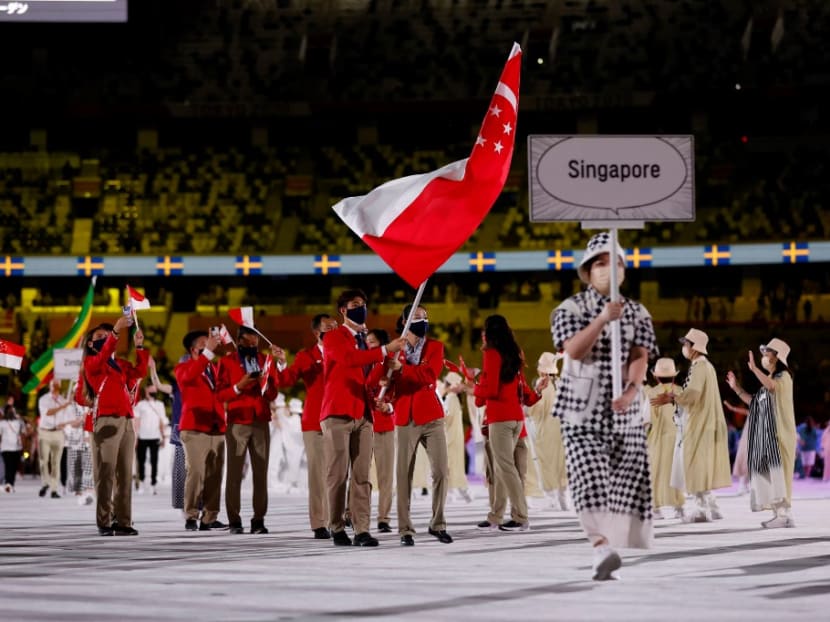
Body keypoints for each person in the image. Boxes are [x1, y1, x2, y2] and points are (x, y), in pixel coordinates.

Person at [552, 232, 657, 581]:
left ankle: (611, 539)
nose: (606, 268)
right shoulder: (569, 309)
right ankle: (600, 546)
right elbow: (573, 351)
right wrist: (601, 319)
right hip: (581, 407)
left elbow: (640, 355)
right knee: (588, 478)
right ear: (586, 271)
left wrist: (631, 390)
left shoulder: (639, 311)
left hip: (622, 410)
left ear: (624, 269)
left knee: (626, 484)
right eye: (598, 262)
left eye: (612, 261)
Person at [319, 288, 404, 547]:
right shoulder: (333, 337)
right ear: (343, 310)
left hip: (363, 413)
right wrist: (382, 352)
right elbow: (347, 360)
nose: (361, 307)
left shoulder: (365, 341)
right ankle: (336, 526)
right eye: (356, 304)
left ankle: (362, 528)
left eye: (364, 303)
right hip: (337, 413)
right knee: (337, 474)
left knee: (362, 476)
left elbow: (366, 379)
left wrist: (386, 365)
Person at [463, 314, 546, 533]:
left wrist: (472, 387)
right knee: (503, 469)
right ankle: (496, 516)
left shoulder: (491, 352)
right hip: (516, 418)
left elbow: (490, 390)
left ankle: (520, 516)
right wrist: (536, 392)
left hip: (500, 418)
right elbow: (521, 389)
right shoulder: (515, 353)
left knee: (505, 469)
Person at [382, 305, 453, 546]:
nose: (423, 321)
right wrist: (386, 392)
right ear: (405, 321)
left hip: (432, 416)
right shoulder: (394, 349)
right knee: (403, 475)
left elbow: (430, 375)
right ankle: (405, 529)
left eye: (425, 317)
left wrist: (404, 370)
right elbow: (390, 385)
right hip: (404, 416)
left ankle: (438, 523)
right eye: (418, 316)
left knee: (442, 471)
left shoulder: (435, 347)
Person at [79, 317, 149, 536]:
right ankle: (104, 521)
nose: (105, 339)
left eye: (107, 337)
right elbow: (100, 359)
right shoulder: (91, 363)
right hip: (106, 420)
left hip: (127, 420)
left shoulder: (120, 365)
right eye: (100, 337)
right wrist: (116, 333)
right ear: (90, 343)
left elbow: (139, 373)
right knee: (106, 472)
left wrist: (139, 347)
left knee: (125, 474)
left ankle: (124, 521)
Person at [652, 329, 732, 523]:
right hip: (703, 422)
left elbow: (693, 394)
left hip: (699, 423)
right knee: (699, 465)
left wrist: (672, 397)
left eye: (686, 344)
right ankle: (711, 505)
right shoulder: (706, 366)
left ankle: (701, 509)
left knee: (694, 465)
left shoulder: (700, 367)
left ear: (694, 347)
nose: (684, 347)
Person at [276, 313, 338, 539]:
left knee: (339, 473)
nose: (333, 329)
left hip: (341, 419)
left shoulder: (345, 352)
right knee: (319, 473)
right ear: (316, 333)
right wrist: (282, 363)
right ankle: (320, 522)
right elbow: (286, 380)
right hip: (316, 421)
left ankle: (338, 518)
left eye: (335, 326)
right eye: (328, 327)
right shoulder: (306, 356)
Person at [216, 325, 282, 535]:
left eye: (256, 338)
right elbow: (220, 395)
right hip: (237, 421)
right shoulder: (226, 362)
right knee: (234, 474)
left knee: (260, 473)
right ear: (240, 340)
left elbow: (272, 394)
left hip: (260, 420)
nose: (253, 342)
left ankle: (258, 519)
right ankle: (234, 520)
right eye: (249, 338)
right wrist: (240, 385)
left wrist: (266, 382)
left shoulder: (265, 360)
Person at [726, 338, 797, 528]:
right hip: (770, 436)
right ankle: (780, 514)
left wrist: (755, 369)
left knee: (779, 474)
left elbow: (772, 387)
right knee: (772, 475)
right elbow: (753, 402)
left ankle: (784, 514)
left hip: (780, 435)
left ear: (777, 357)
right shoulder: (770, 381)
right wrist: (736, 388)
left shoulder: (784, 377)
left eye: (768, 352)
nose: (764, 356)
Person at [175, 330, 229, 532]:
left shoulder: (214, 369)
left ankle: (209, 517)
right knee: (196, 472)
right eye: (204, 343)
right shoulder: (183, 368)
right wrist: (207, 354)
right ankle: (190, 515)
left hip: (216, 427)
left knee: (215, 475)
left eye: (210, 343)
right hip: (194, 428)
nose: (210, 345)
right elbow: (190, 376)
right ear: (193, 349)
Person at [523, 352, 568, 510]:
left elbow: (533, 409)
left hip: (546, 428)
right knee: (561, 463)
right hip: (562, 428)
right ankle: (563, 497)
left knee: (546, 462)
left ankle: (552, 498)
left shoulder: (542, 385)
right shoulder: (561, 383)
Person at [643, 358, 685, 519]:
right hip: (679, 437)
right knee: (677, 473)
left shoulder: (652, 393)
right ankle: (679, 507)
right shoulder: (681, 391)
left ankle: (656, 509)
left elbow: (646, 420)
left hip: (658, 439)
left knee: (656, 473)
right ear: (674, 376)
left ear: (656, 377)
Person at [366, 328, 396, 534]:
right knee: (360, 475)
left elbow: (398, 392)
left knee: (385, 476)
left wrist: (389, 405)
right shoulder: (361, 361)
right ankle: (355, 513)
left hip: (383, 424)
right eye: (367, 342)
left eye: (374, 342)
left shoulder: (391, 365)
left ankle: (384, 517)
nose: (370, 346)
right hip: (362, 423)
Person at [37, 379, 73, 498]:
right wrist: (64, 406)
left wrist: (66, 427)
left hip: (58, 434)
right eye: (53, 384)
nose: (55, 386)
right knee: (44, 460)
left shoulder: (64, 400)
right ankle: (45, 482)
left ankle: (53, 488)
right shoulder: (43, 399)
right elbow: (48, 413)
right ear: (50, 386)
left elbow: (68, 417)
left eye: (57, 384)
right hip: (45, 432)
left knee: (56, 462)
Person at [439, 371, 472, 503]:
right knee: (452, 463)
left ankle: (457, 491)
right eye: (457, 383)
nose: (460, 386)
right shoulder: (451, 398)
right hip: (452, 437)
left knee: (453, 464)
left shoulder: (453, 399)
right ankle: (457, 491)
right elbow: (445, 417)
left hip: (454, 437)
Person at [133, 385, 169, 495]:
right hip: (142, 436)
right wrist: (135, 437)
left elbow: (161, 421)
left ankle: (153, 484)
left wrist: (163, 437)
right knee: (141, 461)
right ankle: (142, 483)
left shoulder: (160, 405)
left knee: (154, 461)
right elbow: (137, 422)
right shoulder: (140, 405)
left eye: (155, 389)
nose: (153, 391)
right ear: (146, 390)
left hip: (155, 436)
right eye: (151, 389)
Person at [63, 399, 94, 505]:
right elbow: (71, 423)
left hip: (88, 440)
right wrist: (83, 418)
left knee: (89, 466)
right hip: (74, 441)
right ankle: (78, 492)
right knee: (75, 467)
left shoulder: (92, 404)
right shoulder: (70, 407)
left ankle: (88, 491)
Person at [724, 400, 750, 494]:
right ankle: (742, 485)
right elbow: (745, 411)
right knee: (745, 461)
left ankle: (746, 485)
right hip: (748, 438)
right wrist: (732, 408)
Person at [0, 401, 25, 493]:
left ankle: (11, 484)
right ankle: (8, 484)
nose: (12, 412)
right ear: (6, 412)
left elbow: (23, 433)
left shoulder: (19, 422)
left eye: (13, 410)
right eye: (10, 410)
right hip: (5, 448)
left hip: (16, 448)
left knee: (14, 467)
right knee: (8, 466)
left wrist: (23, 446)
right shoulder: (2, 423)